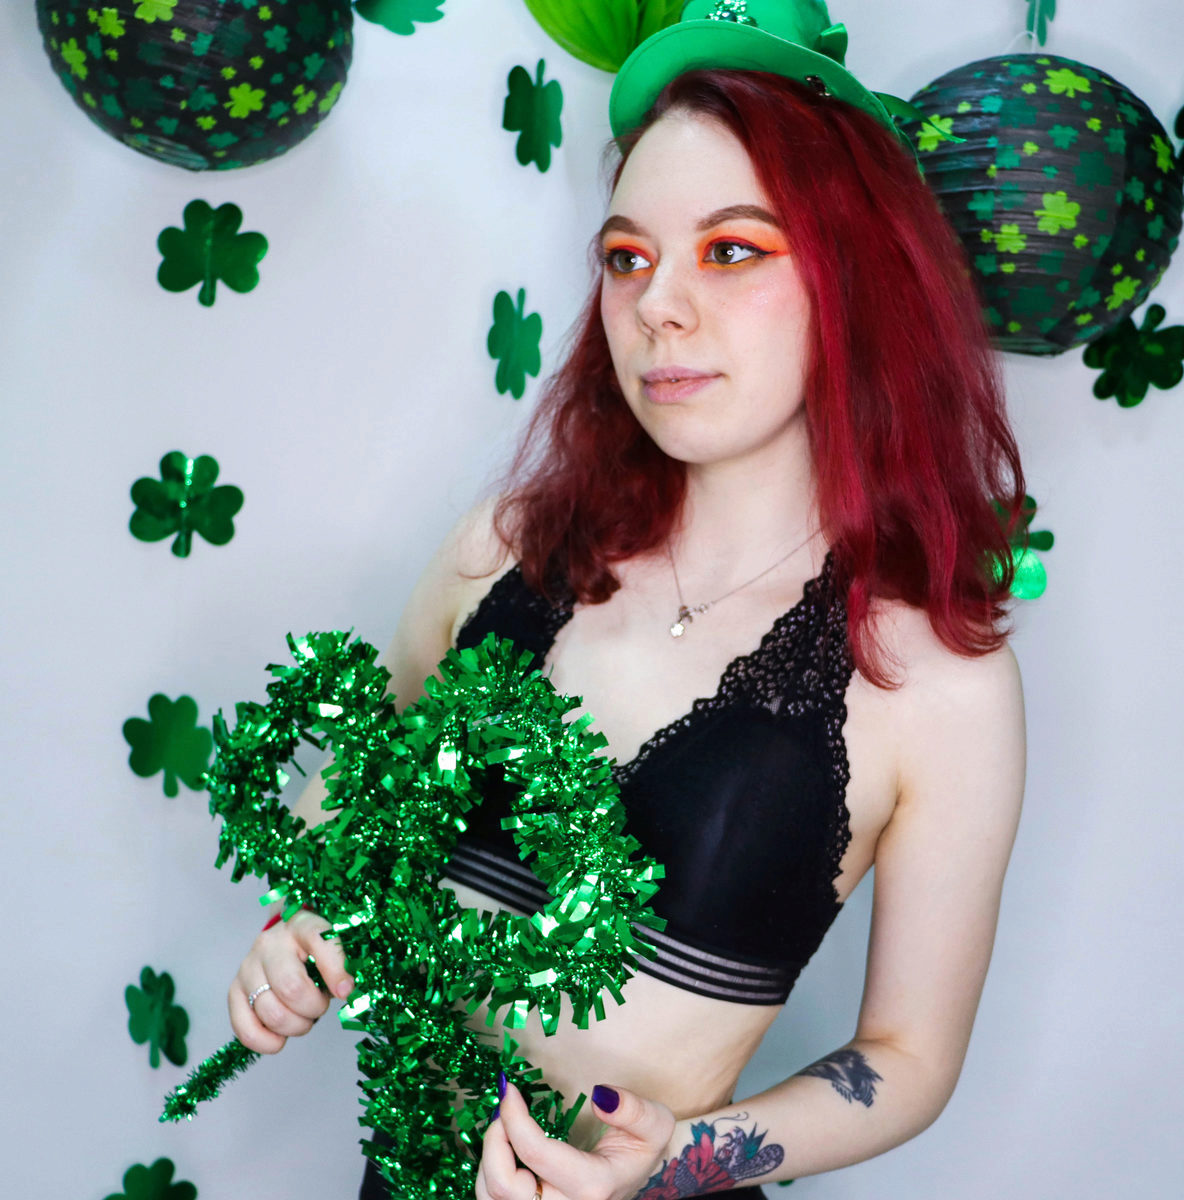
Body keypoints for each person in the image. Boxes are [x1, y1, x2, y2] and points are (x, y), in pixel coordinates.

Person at [228, 3, 1028, 1198]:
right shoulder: (504, 550)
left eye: (732, 251)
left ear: (855, 282)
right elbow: (356, 784)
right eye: (627, 258)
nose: (657, 306)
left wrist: (677, 1162)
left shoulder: (936, 683)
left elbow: (909, 1059)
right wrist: (298, 924)